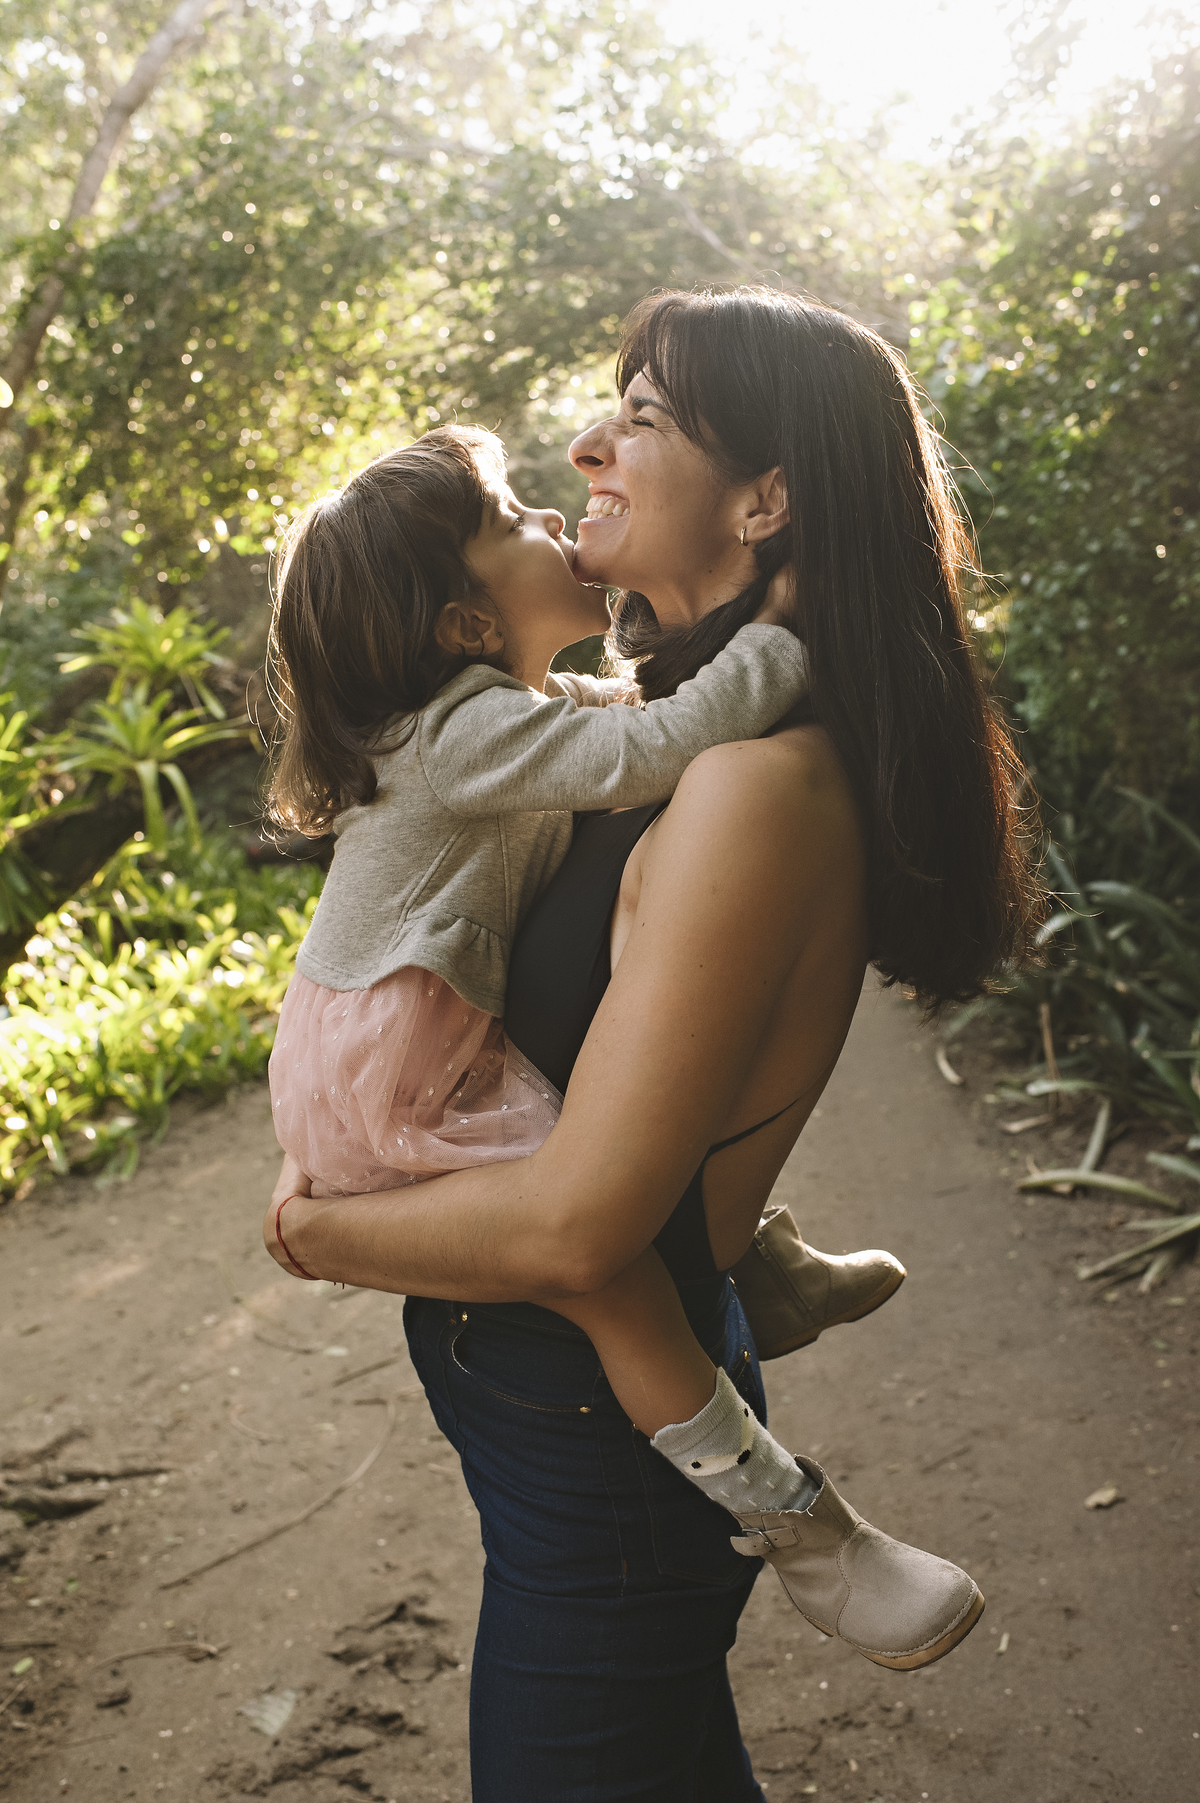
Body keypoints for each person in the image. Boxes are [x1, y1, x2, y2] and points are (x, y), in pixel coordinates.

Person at [264, 287, 1041, 1802]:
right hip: (555, 1415)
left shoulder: (747, 783)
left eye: (646, 414)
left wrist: (314, 1231)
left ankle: (806, 1520)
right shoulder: (629, 736)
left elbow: (585, 1221)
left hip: (593, 1435)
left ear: (767, 499)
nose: (585, 441)